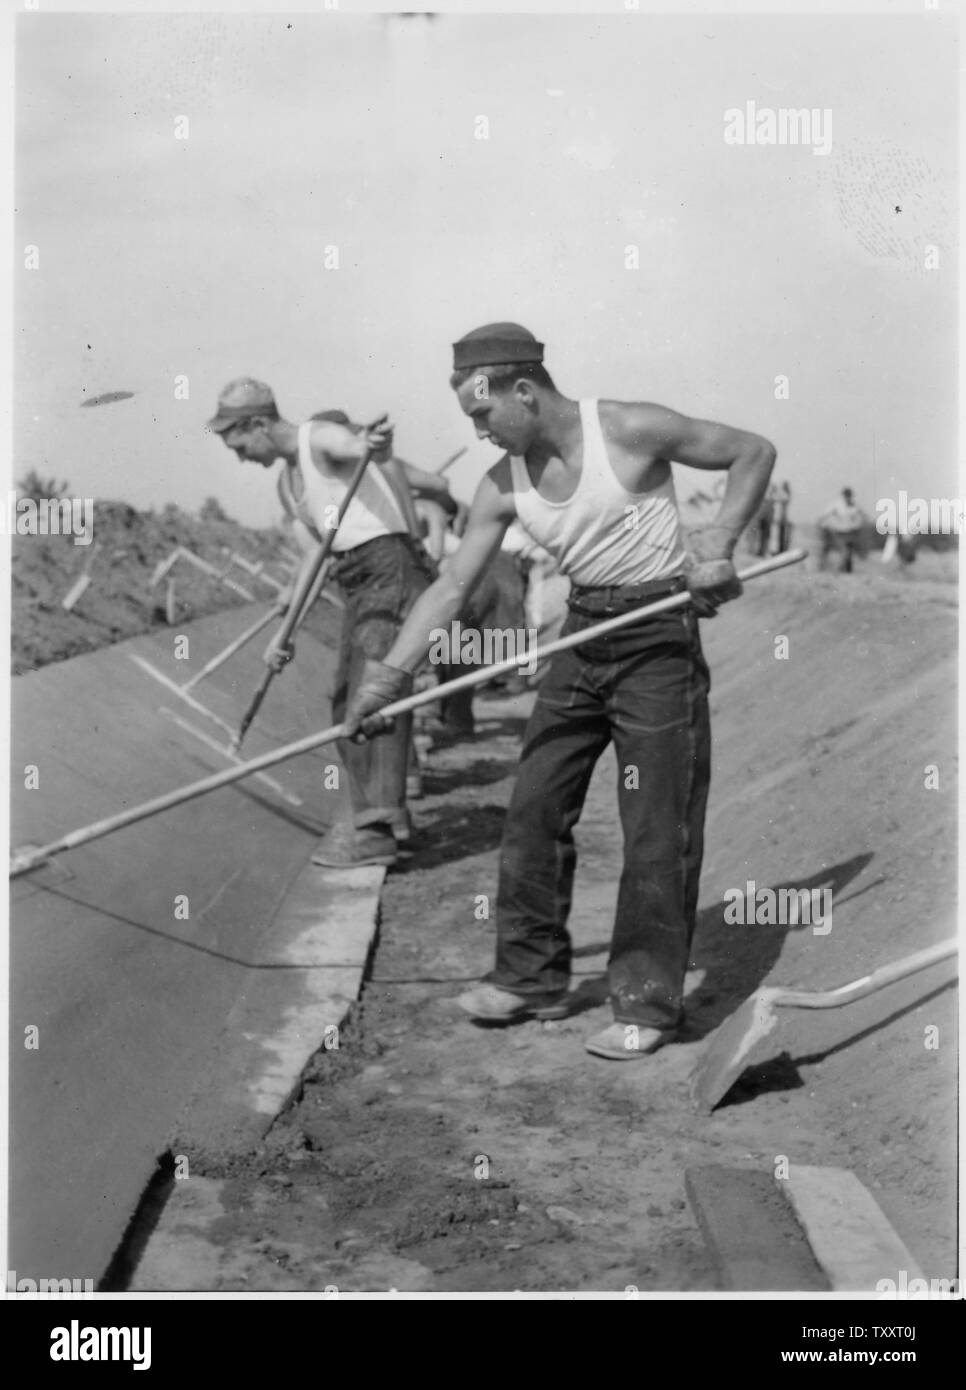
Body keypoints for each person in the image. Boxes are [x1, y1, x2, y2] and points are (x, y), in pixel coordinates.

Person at [343, 322, 775, 1061]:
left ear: (524, 390)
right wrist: (385, 679)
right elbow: (451, 585)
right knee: (535, 806)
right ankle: (530, 976)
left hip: (657, 636)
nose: (479, 432)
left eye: (483, 415)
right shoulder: (499, 485)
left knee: (654, 825)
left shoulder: (630, 429)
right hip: (581, 636)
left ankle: (646, 1001)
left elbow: (750, 452)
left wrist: (714, 547)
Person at [206, 379, 435, 867]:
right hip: (357, 577)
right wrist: (283, 634)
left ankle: (376, 832)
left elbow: (357, 446)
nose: (240, 455)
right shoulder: (289, 481)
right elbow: (314, 560)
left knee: (373, 696)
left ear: (258, 424)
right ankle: (388, 819)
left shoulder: (318, 438)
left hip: (389, 567)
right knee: (343, 705)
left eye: (240, 443)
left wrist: (374, 442)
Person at [819, 487, 866, 573]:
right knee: (844, 551)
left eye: (850, 495)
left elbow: (862, 515)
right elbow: (825, 514)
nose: (848, 497)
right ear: (843, 496)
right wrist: (822, 523)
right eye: (847, 495)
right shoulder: (836, 505)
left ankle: (848, 570)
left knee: (849, 552)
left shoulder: (855, 505)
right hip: (839, 532)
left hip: (851, 532)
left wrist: (860, 524)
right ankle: (838, 569)